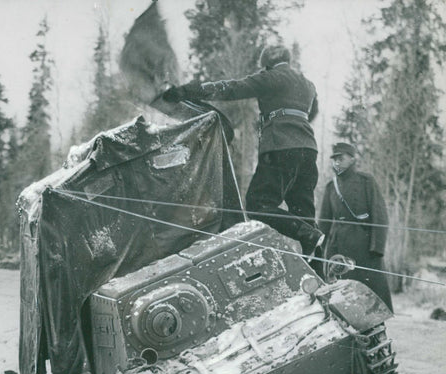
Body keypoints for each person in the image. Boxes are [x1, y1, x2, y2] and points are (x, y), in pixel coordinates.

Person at [162, 44, 323, 256]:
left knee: (259, 204)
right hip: (308, 149)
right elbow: (313, 112)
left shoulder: (271, 77)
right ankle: (318, 263)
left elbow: (231, 88)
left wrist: (185, 91)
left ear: (267, 64)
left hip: (280, 146)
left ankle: (307, 235)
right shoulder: (308, 85)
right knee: (303, 212)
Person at [318, 142, 393, 311]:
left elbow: (379, 214)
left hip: (365, 249)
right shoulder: (331, 187)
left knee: (370, 295)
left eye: (341, 158)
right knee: (340, 296)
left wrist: (377, 248)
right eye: (334, 159)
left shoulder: (366, 181)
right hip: (338, 250)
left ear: (352, 159)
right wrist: (319, 250)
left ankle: (375, 325)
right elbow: (324, 222)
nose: (336, 162)